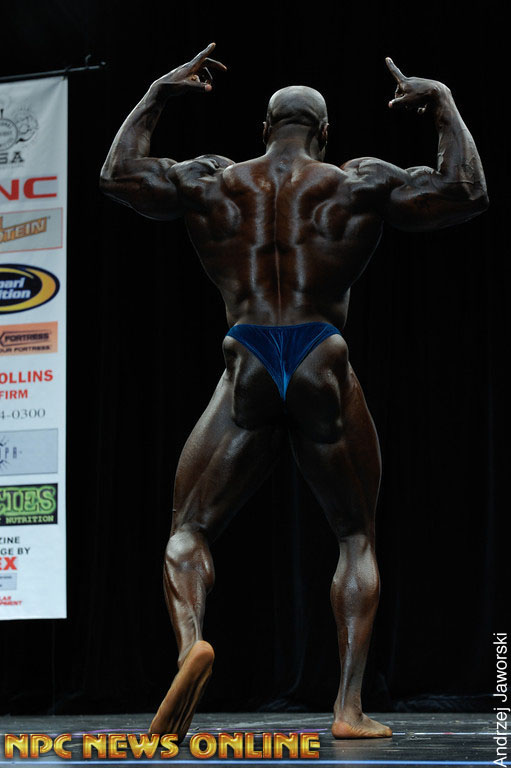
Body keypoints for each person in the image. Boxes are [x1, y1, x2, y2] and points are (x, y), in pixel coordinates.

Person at [100, 43, 488, 741]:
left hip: (249, 354)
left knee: (188, 530)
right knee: (354, 535)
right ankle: (347, 710)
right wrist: (443, 104)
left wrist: (156, 94)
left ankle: (190, 650)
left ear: (264, 129)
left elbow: (118, 176)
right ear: (325, 133)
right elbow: (465, 193)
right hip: (319, 354)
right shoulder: (357, 181)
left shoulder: (214, 180)